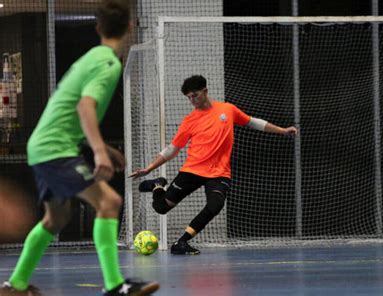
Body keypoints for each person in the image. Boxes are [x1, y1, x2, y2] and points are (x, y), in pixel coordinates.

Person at [0, 1, 160, 295]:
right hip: (55, 147)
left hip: (45, 144)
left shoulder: (91, 58)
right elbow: (85, 106)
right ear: (130, 27)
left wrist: (96, 144)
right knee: (109, 202)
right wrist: (99, 151)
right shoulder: (108, 63)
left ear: (97, 28)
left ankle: (15, 285)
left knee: (55, 218)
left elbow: (67, 108)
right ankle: (115, 285)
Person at [130, 75, 297, 255]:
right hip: (192, 170)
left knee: (215, 206)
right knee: (161, 208)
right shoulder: (189, 120)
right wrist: (149, 168)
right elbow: (172, 149)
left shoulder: (227, 109)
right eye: (189, 98)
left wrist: (282, 130)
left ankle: (181, 242)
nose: (192, 100)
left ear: (205, 91)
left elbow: (252, 122)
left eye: (195, 95)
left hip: (219, 173)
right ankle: (157, 185)